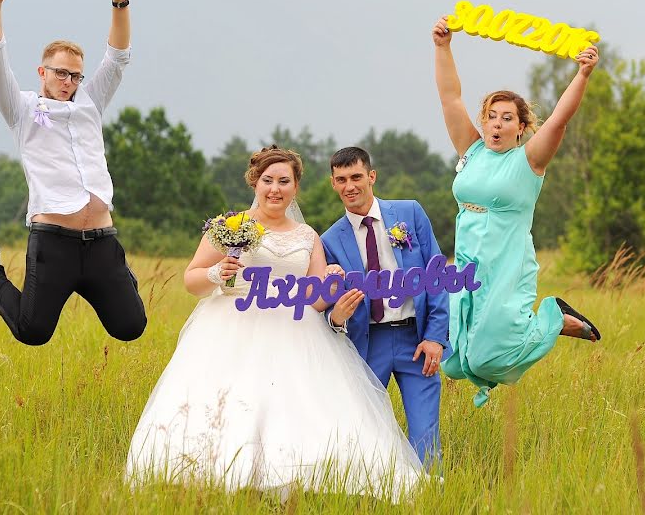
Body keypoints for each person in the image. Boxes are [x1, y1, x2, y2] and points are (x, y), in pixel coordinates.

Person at [125, 146, 422, 500]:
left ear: (296, 187)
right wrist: (218, 273)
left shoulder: (308, 236)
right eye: (268, 181)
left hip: (296, 330)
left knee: (294, 403)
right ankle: (222, 474)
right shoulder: (230, 227)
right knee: (234, 401)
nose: (275, 189)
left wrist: (331, 279)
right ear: (255, 182)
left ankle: (290, 473)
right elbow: (192, 280)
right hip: (231, 326)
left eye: (284, 181)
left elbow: (315, 301)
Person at [0, 0, 146, 346]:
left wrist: (120, 1)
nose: (68, 82)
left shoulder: (91, 102)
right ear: (42, 72)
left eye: (75, 75)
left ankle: (118, 274)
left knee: (130, 327)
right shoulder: (21, 110)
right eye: (60, 73)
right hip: (54, 244)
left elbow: (118, 58)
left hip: (103, 240)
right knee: (33, 331)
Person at [431, 15, 602, 407]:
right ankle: (538, 325)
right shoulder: (471, 151)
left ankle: (552, 318)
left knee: (491, 356)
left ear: (521, 127)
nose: (496, 124)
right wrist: (442, 47)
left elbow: (558, 121)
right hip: (467, 259)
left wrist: (583, 74)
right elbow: (450, 98)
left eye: (507, 118)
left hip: (506, 260)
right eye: (491, 116)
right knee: (455, 360)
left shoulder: (529, 161)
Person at [321, 147, 451, 469]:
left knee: (425, 434)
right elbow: (325, 304)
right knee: (362, 430)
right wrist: (336, 317)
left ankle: (429, 496)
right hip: (367, 344)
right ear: (333, 184)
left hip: (415, 341)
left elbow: (436, 276)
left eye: (356, 177)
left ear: (371, 176)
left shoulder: (409, 214)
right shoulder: (328, 241)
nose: (350, 186)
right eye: (341, 179)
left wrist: (436, 336)